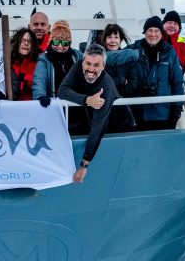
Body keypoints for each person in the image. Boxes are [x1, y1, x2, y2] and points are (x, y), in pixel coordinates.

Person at [57, 44, 121, 183]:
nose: (91, 69)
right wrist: (86, 100)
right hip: (88, 117)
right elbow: (62, 90)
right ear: (82, 62)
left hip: (116, 125)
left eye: (96, 65)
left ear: (103, 66)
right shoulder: (78, 67)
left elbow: (98, 128)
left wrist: (84, 164)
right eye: (88, 63)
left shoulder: (107, 87)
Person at [129, 16, 185, 131]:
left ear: (161, 33)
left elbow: (177, 83)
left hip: (162, 114)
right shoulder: (134, 49)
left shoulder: (169, 52)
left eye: (156, 31)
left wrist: (176, 112)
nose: (153, 34)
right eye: (149, 30)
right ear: (144, 32)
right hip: (139, 113)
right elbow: (114, 53)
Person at [32, 20, 77, 105]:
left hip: (75, 105)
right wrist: (40, 95)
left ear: (69, 44)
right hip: (53, 106)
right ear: (50, 42)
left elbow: (94, 58)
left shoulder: (76, 56)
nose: (60, 46)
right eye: (56, 42)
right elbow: (39, 79)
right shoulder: (44, 59)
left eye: (65, 43)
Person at [97, 22, 140, 103]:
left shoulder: (129, 60)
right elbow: (100, 84)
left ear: (121, 40)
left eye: (116, 37)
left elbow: (132, 86)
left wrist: (117, 96)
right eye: (109, 37)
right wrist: (122, 81)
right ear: (105, 40)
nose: (113, 41)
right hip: (104, 105)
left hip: (124, 105)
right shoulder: (98, 60)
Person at [0, 26, 38, 101]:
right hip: (10, 105)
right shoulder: (7, 62)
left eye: (30, 41)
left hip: (31, 105)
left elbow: (38, 84)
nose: (26, 43)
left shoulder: (38, 63)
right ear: (17, 42)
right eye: (23, 40)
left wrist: (24, 83)